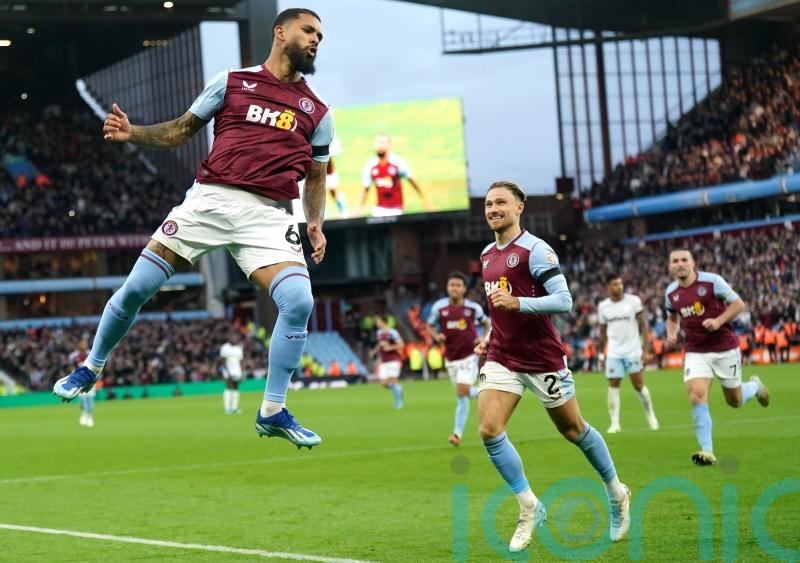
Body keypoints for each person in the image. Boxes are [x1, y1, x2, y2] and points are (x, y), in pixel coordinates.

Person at [53, 8, 332, 450]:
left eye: (321, 34)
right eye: (308, 30)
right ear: (280, 33)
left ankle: (273, 411)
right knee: (136, 289)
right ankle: (92, 365)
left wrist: (314, 222)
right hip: (209, 200)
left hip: (268, 215)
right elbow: (183, 130)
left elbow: (316, 177)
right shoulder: (232, 82)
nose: (316, 39)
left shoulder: (317, 111)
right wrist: (134, 133)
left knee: (298, 300)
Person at [475, 181, 630, 553]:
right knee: (489, 430)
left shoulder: (536, 250)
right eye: (488, 203)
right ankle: (529, 506)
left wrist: (519, 305)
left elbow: (564, 300)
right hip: (502, 355)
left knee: (574, 430)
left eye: (501, 203)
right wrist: (490, 333)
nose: (493, 208)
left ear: (519, 208)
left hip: (542, 357)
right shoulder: (485, 254)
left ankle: (616, 492)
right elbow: (500, 306)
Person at [665, 250, 771, 466]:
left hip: (724, 348)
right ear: (670, 267)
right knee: (697, 395)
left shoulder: (713, 282)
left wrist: (718, 321)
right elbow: (672, 317)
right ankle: (707, 451)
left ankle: (755, 386)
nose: (680, 264)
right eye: (675, 261)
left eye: (684, 260)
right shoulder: (671, 293)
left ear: (693, 263)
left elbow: (738, 304)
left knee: (735, 401)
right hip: (695, 351)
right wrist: (671, 333)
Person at [425, 271, 490, 446]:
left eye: (458, 285)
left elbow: (487, 323)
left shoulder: (472, 309)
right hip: (451, 358)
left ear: (464, 289)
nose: (454, 288)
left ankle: (491, 392)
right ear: (447, 288)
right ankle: (457, 435)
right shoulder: (439, 308)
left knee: (462, 392)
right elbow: (429, 326)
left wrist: (483, 338)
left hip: (469, 356)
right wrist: (436, 336)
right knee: (462, 396)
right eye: (451, 285)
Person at [597, 275, 659, 433]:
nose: (619, 287)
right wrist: (600, 354)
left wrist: (645, 349)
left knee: (638, 385)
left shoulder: (633, 301)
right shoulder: (603, 306)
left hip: (632, 351)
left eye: (620, 284)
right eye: (615, 284)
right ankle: (615, 423)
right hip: (613, 352)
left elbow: (643, 325)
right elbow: (602, 332)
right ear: (608, 287)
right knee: (613, 385)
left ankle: (650, 414)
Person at [355, 133, 432, 217]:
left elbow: (413, 181)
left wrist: (426, 201)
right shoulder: (370, 165)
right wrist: (359, 209)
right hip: (379, 209)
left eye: (383, 143)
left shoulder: (397, 162)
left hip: (396, 209)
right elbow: (365, 189)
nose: (380, 145)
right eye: (377, 143)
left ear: (389, 145)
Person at [370, 317, 405, 409]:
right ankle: (398, 389)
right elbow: (380, 344)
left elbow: (401, 344)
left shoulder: (393, 332)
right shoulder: (379, 333)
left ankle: (399, 402)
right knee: (383, 384)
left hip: (393, 360)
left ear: (383, 322)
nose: (377, 323)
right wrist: (374, 351)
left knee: (393, 382)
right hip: (384, 361)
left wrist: (390, 347)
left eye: (378, 321)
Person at [68, 338, 95, 427]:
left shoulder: (91, 354)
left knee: (89, 399)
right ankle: (84, 414)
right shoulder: (73, 356)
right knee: (82, 399)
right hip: (79, 381)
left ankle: (90, 417)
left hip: (90, 380)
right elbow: (71, 367)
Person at [220, 332, 244, 414]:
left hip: (237, 371)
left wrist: (242, 372)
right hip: (228, 371)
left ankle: (234, 408)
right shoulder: (225, 348)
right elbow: (222, 362)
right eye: (233, 338)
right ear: (229, 339)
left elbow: (241, 362)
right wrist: (227, 372)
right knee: (228, 386)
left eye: (236, 338)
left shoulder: (239, 349)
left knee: (236, 387)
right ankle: (227, 408)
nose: (234, 340)